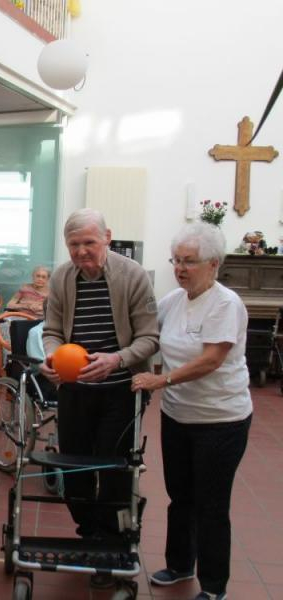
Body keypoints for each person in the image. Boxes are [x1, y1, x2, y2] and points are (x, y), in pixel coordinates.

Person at [131, 223, 251, 600]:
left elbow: (211, 360)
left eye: (189, 262)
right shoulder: (174, 300)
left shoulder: (226, 304)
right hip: (178, 416)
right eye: (176, 261)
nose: (180, 269)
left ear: (214, 264)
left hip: (221, 420)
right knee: (180, 495)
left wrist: (161, 380)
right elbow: (147, 336)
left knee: (211, 504)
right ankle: (180, 564)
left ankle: (214, 586)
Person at [40, 208, 159, 587]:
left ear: (107, 237)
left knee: (113, 472)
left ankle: (109, 542)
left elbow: (150, 338)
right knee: (74, 470)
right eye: (73, 245)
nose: (81, 252)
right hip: (75, 391)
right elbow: (51, 330)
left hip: (119, 392)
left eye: (89, 243)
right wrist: (51, 356)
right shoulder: (62, 277)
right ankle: (89, 534)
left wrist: (116, 359)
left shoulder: (133, 276)